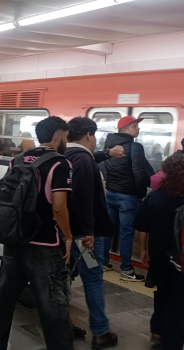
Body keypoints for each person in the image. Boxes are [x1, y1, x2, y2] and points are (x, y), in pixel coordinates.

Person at [0, 116, 74, 350]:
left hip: (15, 238)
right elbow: (59, 206)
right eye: (66, 137)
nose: (66, 141)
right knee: (53, 309)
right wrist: (68, 237)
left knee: (3, 302)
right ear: (57, 136)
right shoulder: (60, 163)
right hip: (45, 244)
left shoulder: (17, 160)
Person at [64, 117, 120, 348]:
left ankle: (62, 324)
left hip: (63, 233)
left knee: (63, 278)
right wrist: (89, 232)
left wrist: (104, 154)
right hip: (83, 236)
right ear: (89, 135)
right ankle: (100, 331)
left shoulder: (62, 155)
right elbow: (83, 200)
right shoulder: (84, 161)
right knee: (94, 279)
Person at [137, 151, 184, 350]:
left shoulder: (155, 197)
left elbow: (142, 227)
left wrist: (143, 250)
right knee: (177, 302)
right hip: (180, 260)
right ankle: (171, 342)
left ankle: (157, 330)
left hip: (158, 255)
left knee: (162, 291)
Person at [102, 115, 150, 281]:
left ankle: (102, 262)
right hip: (128, 197)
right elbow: (139, 173)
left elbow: (104, 167)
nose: (138, 129)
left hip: (111, 193)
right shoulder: (135, 147)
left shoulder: (108, 146)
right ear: (125, 129)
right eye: (135, 126)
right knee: (127, 233)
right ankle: (127, 270)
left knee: (108, 229)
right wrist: (140, 195)